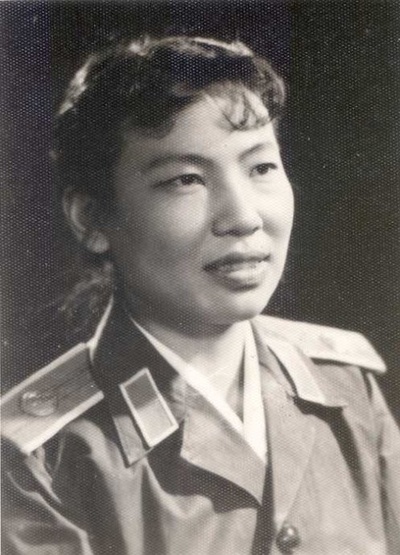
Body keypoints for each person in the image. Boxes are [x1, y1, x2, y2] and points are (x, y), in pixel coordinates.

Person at [2, 35, 400, 555]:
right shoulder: (38, 464)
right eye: (186, 179)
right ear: (91, 218)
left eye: (261, 168)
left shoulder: (345, 388)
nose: (244, 217)